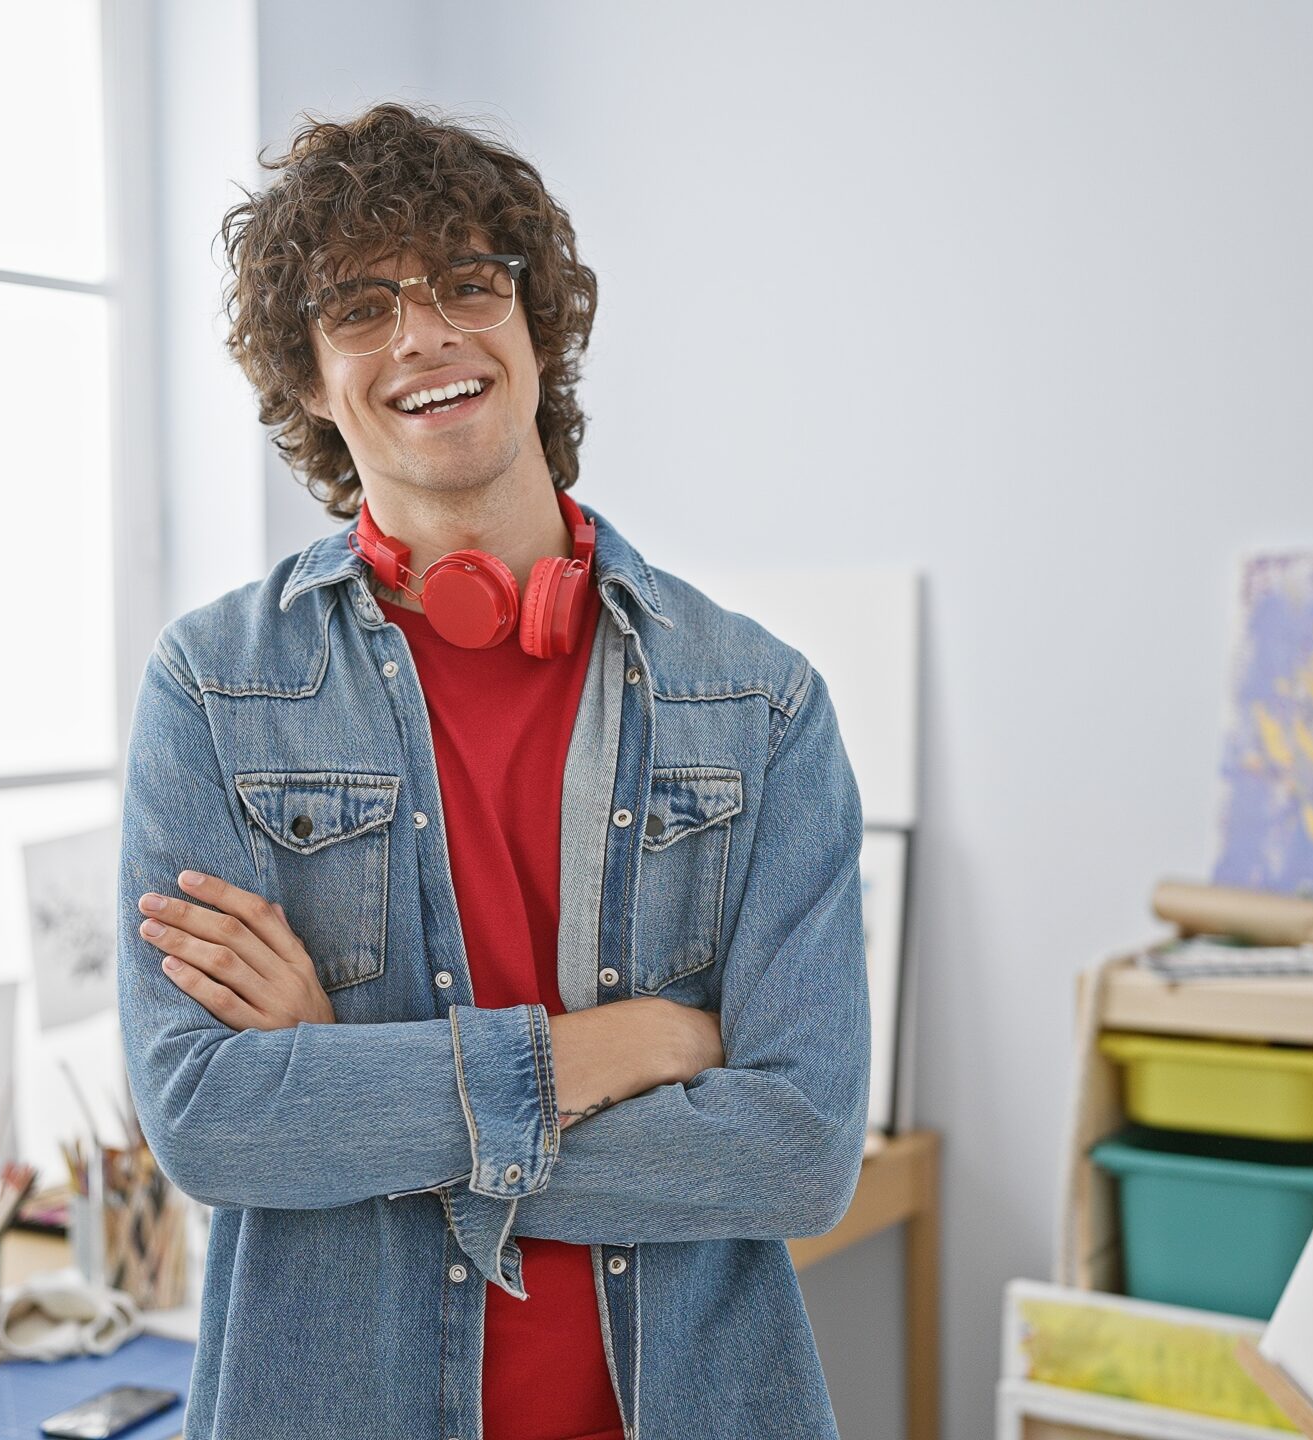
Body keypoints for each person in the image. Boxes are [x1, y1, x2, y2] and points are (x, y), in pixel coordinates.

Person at [115, 102, 870, 1439]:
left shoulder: (762, 705)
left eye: (468, 283)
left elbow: (800, 1155)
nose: (422, 335)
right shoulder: (213, 694)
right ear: (305, 374)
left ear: (537, 330)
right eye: (360, 307)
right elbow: (213, 1124)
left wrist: (346, 1086)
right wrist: (607, 1054)